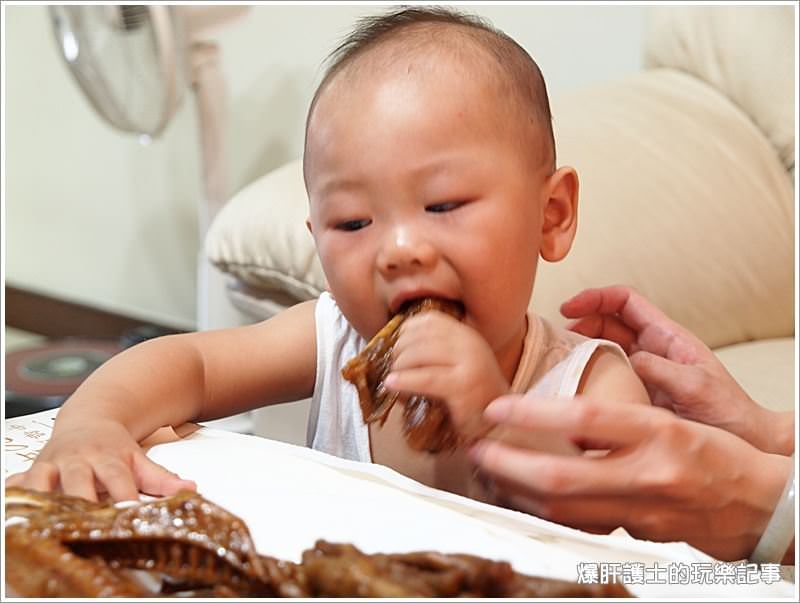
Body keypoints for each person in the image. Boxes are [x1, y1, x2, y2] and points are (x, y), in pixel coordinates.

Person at [6, 8, 649, 505]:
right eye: (353, 222)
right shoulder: (335, 342)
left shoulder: (590, 386)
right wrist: (91, 424)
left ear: (552, 215)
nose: (397, 250)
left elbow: (633, 533)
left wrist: (493, 422)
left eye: (444, 205)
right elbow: (189, 364)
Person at [469, 285, 795, 564]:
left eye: (444, 207)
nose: (415, 249)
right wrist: (767, 431)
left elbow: (598, 543)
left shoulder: (598, 379)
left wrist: (775, 508)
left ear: (555, 218)